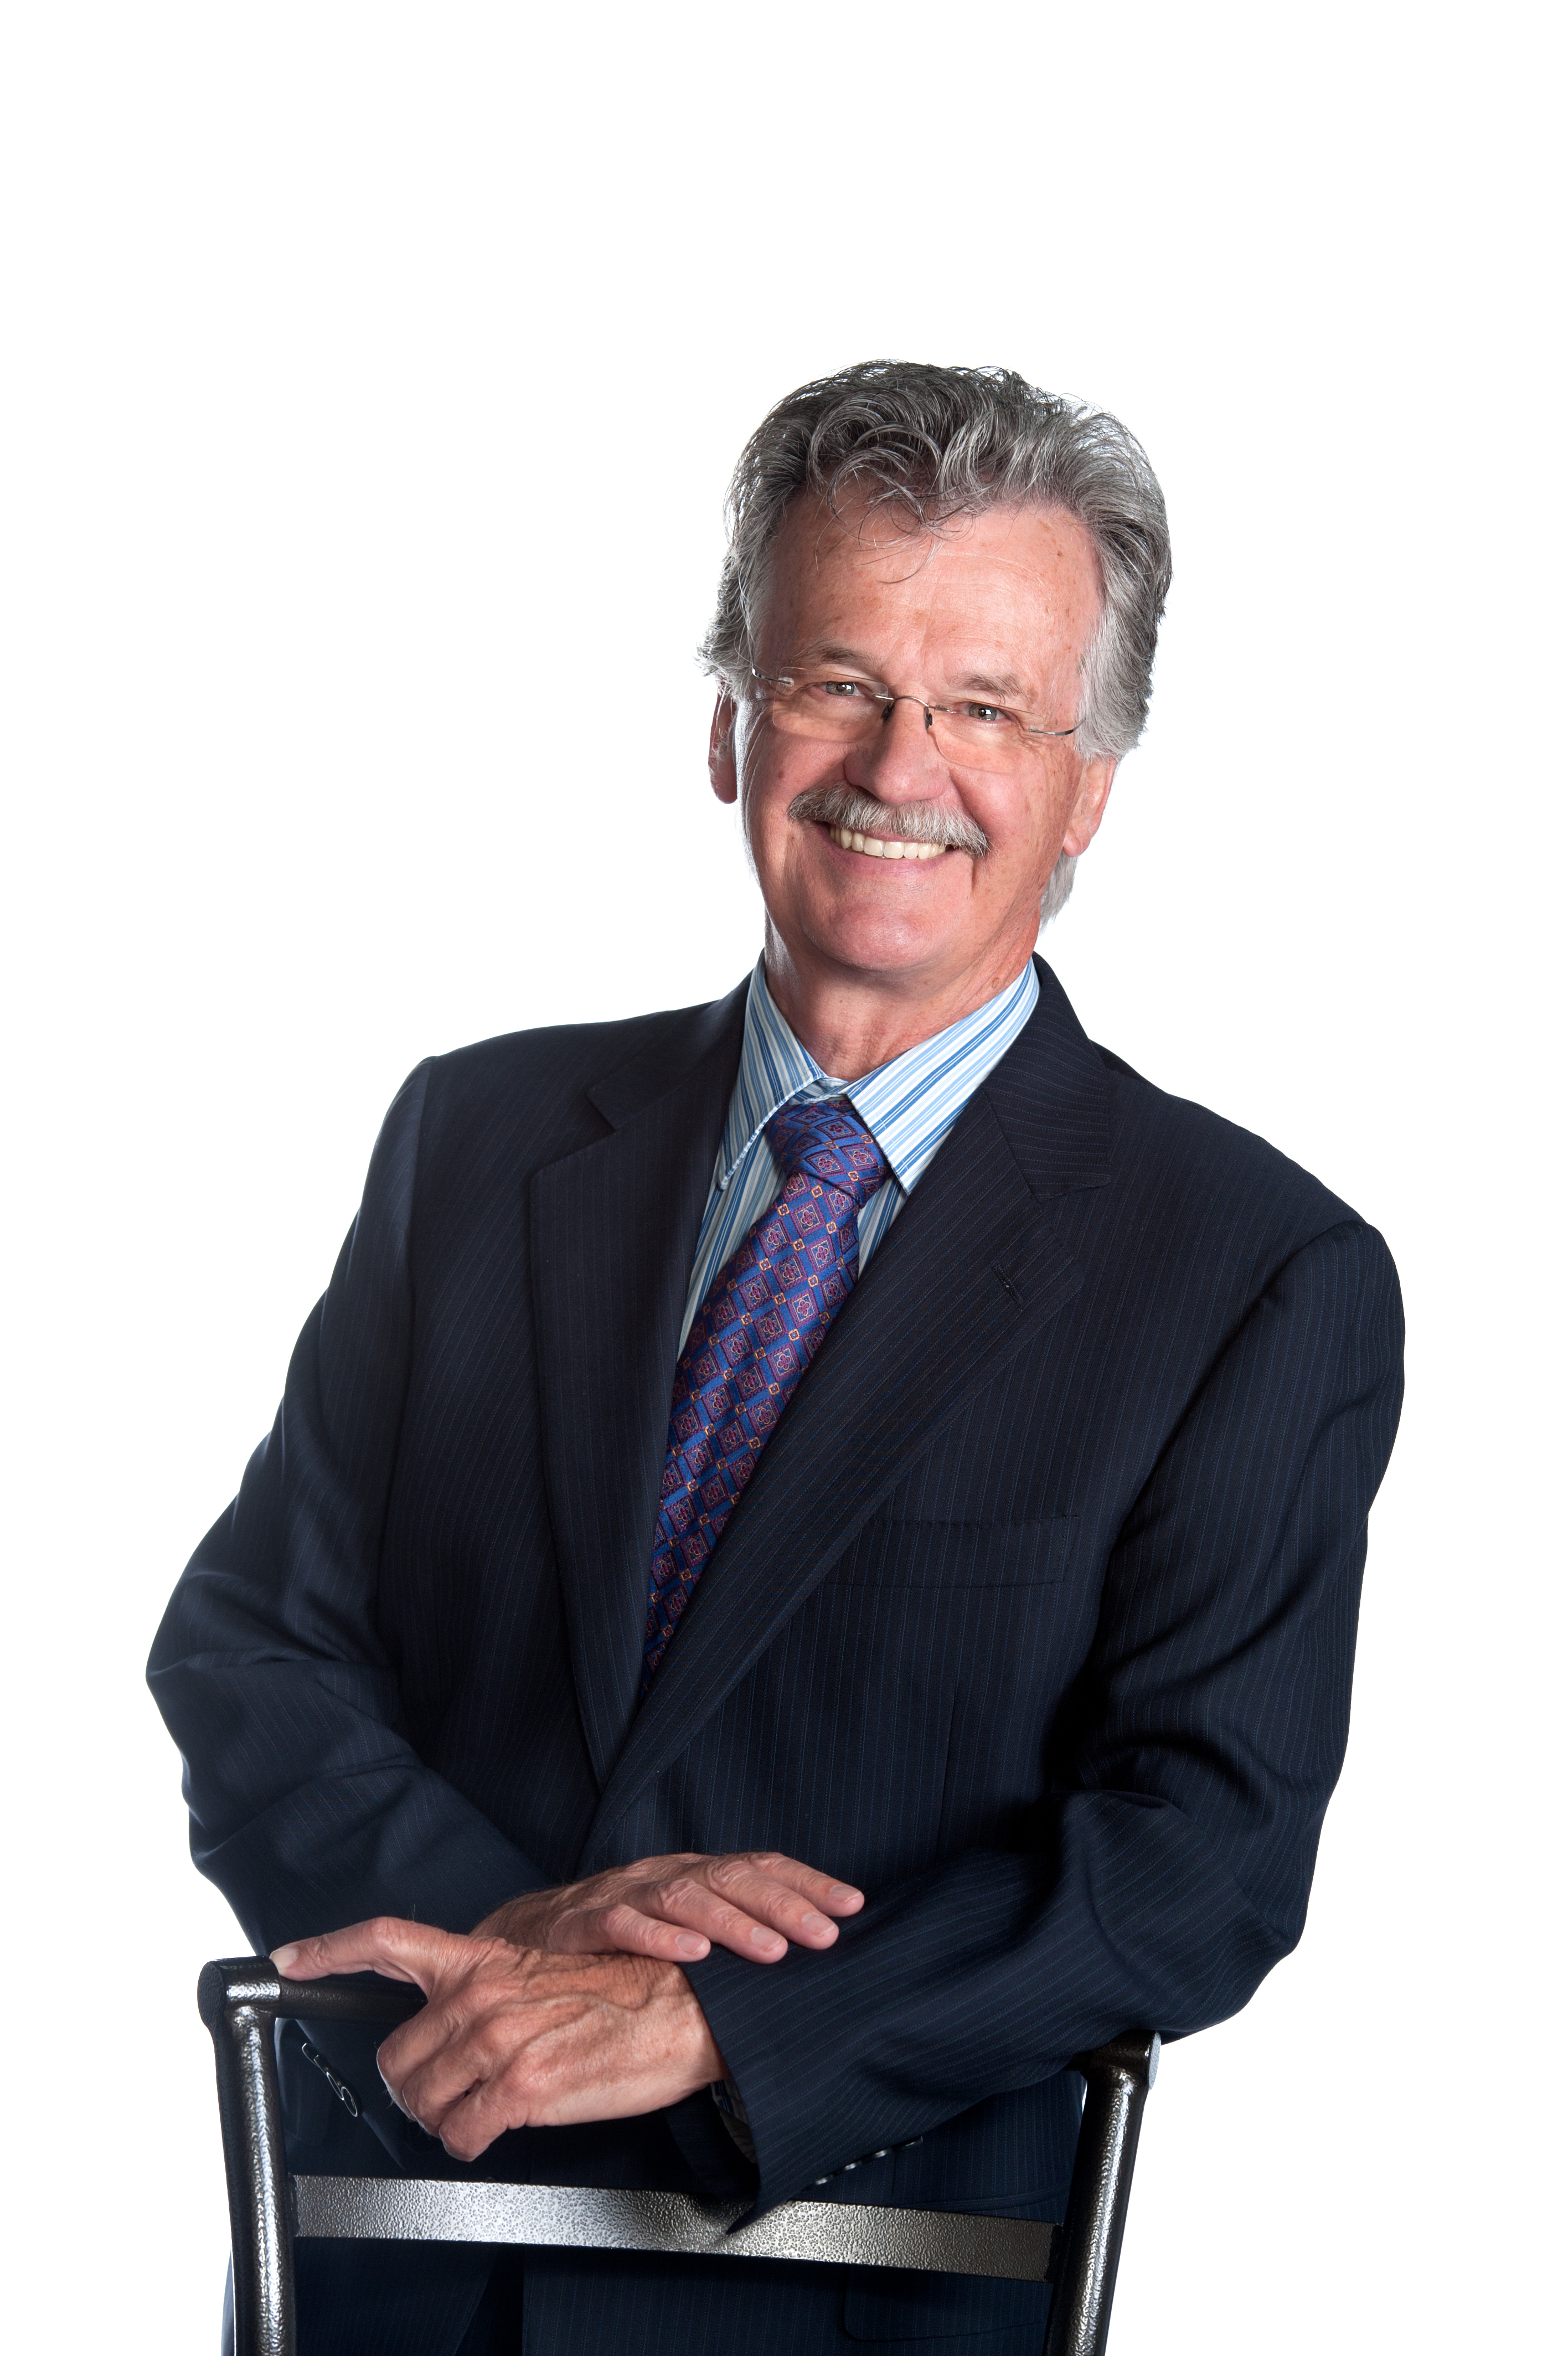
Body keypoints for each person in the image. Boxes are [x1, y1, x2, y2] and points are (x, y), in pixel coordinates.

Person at [149, 360, 1404, 2356]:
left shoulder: (1252, 1272)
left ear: (1087, 784)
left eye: (985, 706)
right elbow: (250, 1646)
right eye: (837, 679)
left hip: (849, 2290)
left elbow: (1202, 1860)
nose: (898, 763)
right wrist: (512, 1934)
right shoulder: (474, 1143)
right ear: (733, 720)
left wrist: (719, 2014)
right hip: (385, 2272)